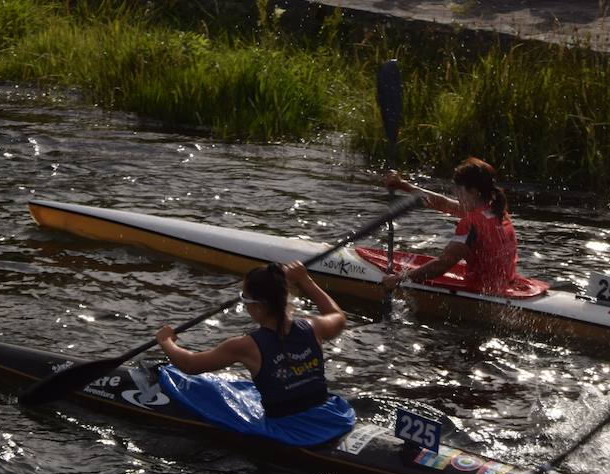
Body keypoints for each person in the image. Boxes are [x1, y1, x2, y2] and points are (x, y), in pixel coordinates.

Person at [155, 261, 355, 444]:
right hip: (331, 417)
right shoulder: (314, 326)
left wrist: (166, 342)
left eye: (245, 299)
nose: (245, 304)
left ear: (257, 306)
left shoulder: (246, 346)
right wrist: (305, 280)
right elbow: (338, 317)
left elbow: (190, 364)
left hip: (290, 428)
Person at [379, 158, 519, 296]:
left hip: (484, 292)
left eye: (459, 190)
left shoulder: (471, 223)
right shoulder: (496, 211)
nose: (456, 195)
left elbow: (442, 264)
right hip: (505, 284)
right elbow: (442, 203)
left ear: (474, 191)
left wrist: (398, 278)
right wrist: (403, 185)